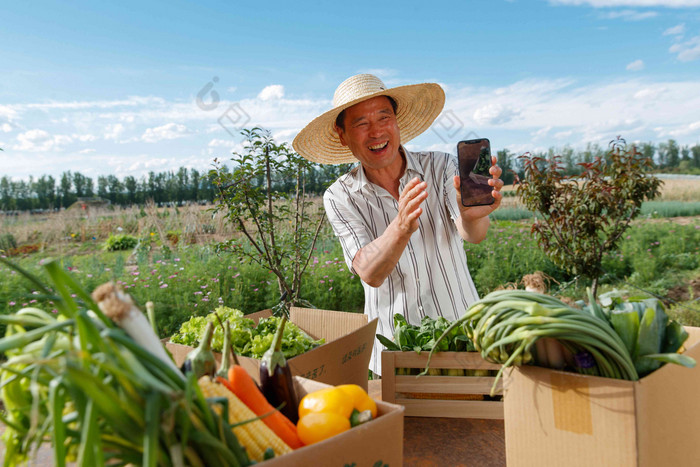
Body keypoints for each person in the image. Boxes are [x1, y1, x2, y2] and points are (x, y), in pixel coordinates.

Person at [293, 74, 504, 375]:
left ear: (397, 122)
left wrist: (474, 215)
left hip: (463, 338)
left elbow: (474, 235)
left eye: (384, 117)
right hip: (395, 353)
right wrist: (400, 227)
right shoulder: (340, 196)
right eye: (361, 123)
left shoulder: (441, 166)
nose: (376, 131)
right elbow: (369, 272)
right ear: (343, 135)